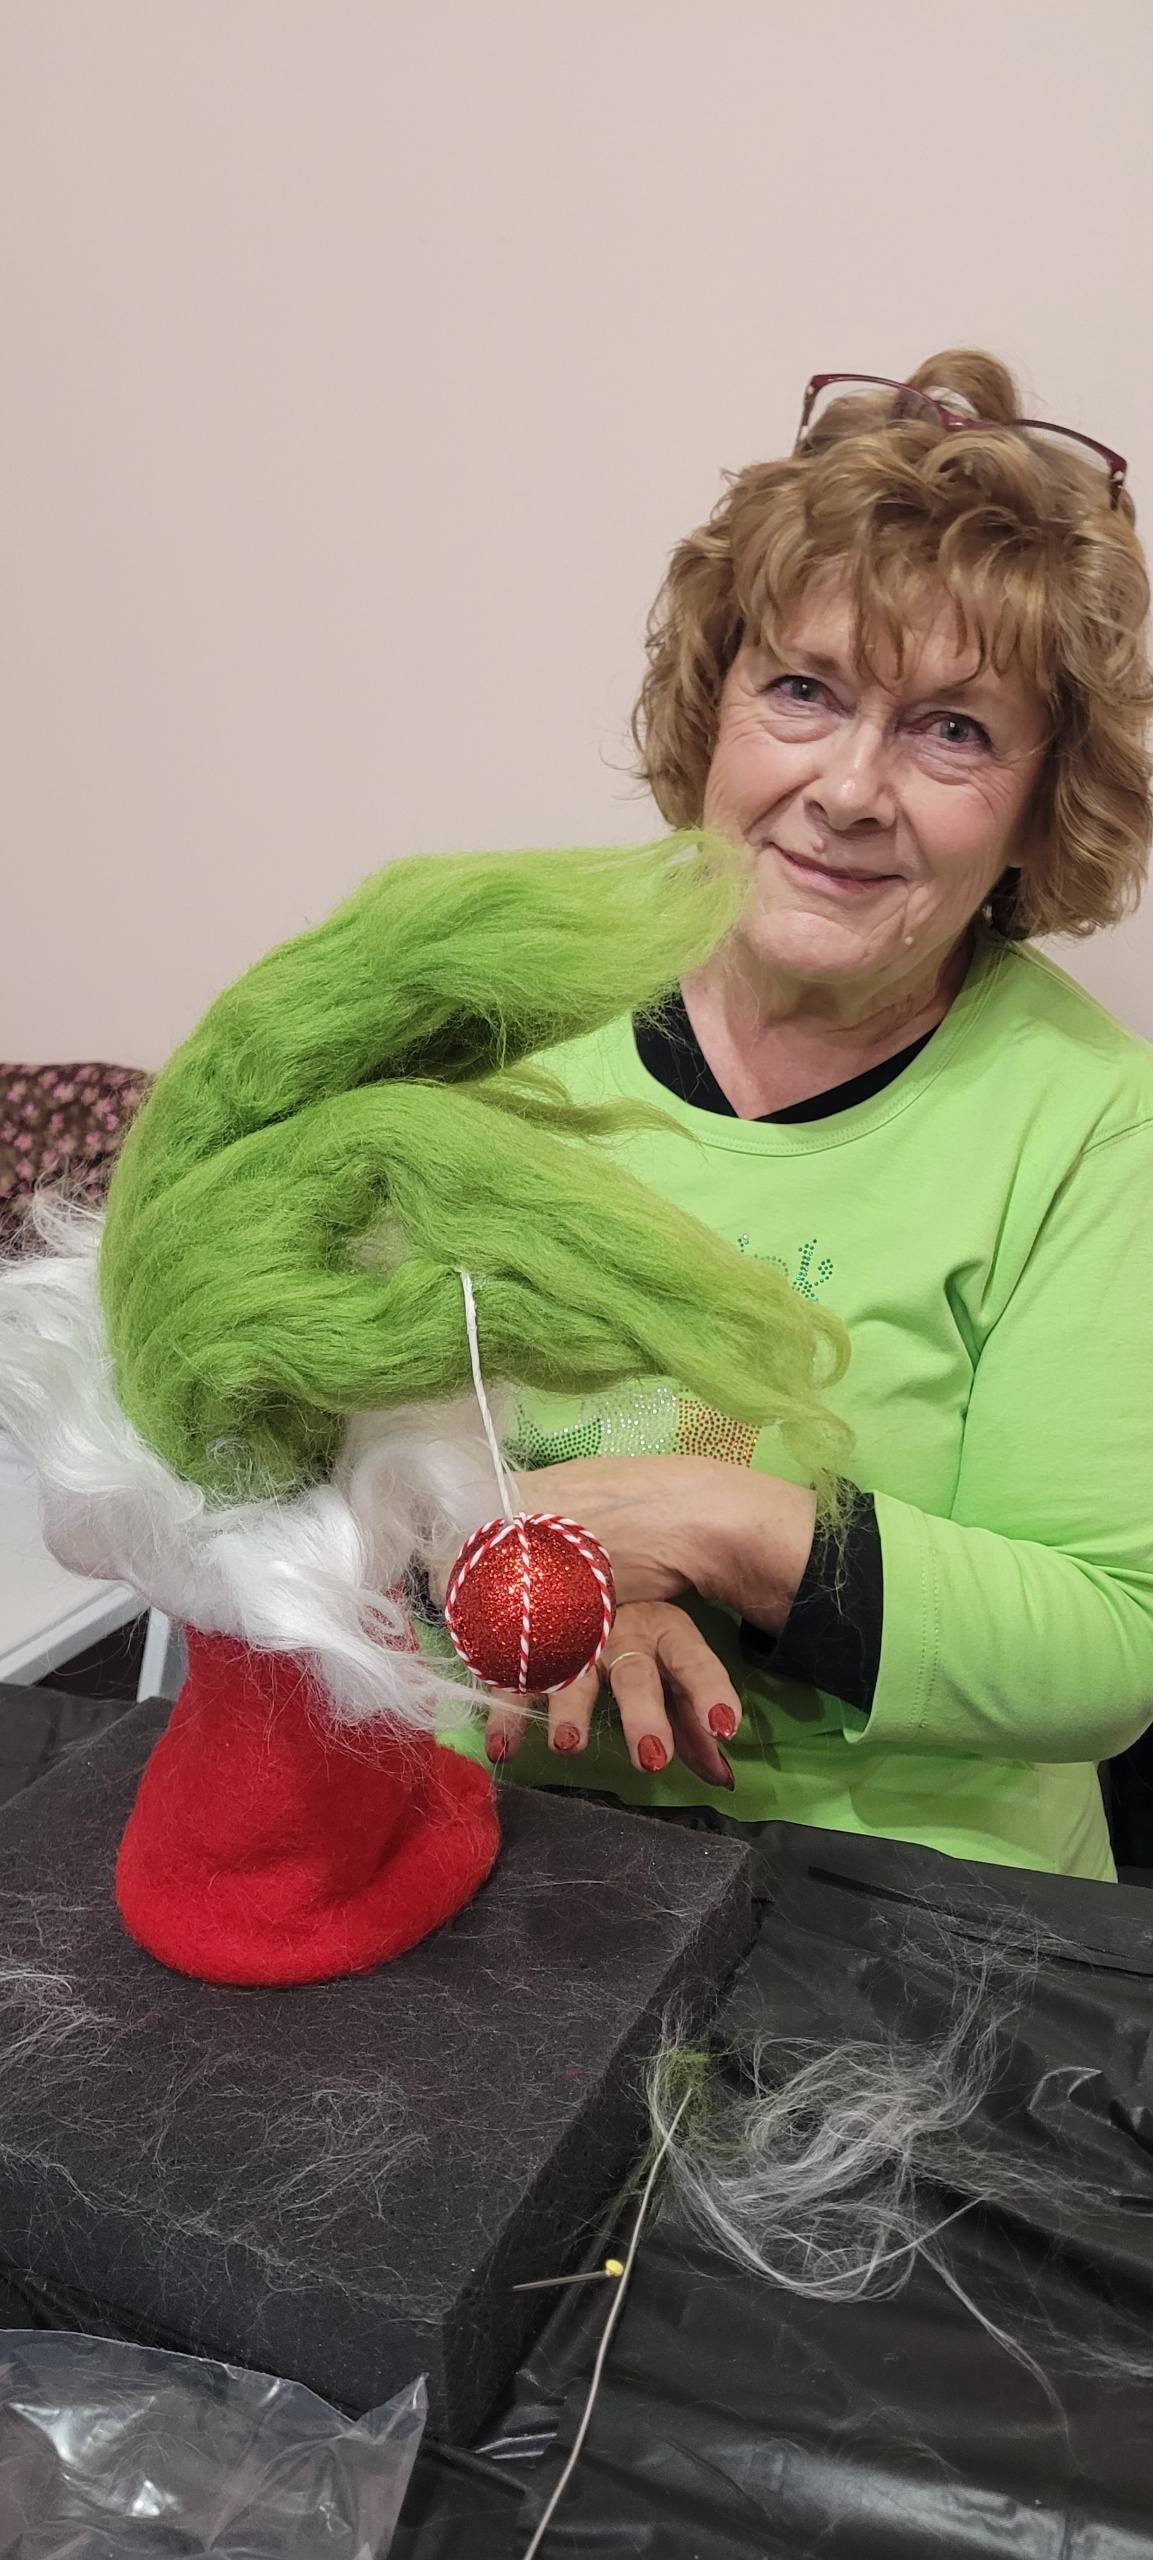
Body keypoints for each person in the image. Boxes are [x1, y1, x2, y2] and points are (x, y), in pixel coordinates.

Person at [465, 349, 1153, 1882]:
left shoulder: (1098, 1127)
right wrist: (567, 1579)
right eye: (802, 690)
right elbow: (300, 1437)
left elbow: (1113, 1642)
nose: (847, 789)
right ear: (713, 705)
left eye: (952, 730)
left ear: (1042, 801)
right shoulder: (503, 1013)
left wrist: (716, 1526)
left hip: (904, 1921)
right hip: (494, 1856)